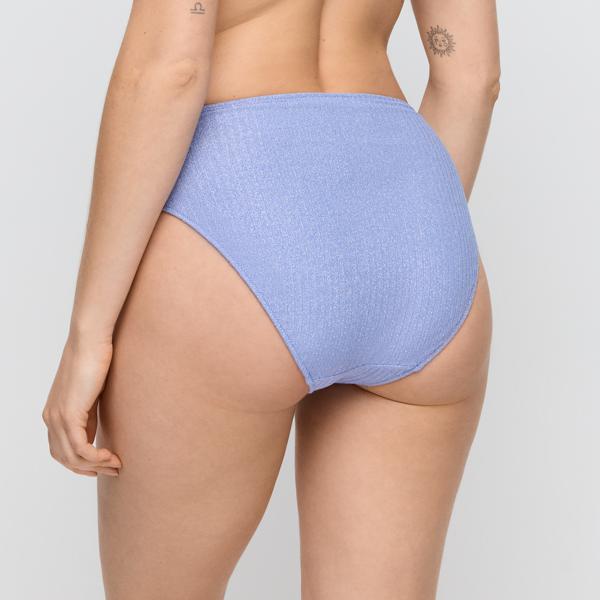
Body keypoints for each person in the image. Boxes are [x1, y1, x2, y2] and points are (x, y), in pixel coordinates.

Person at [42, 0, 499, 597]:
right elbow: (472, 78)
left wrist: (88, 335)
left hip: (239, 203)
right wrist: (400, 248)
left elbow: (171, 68)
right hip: (412, 219)